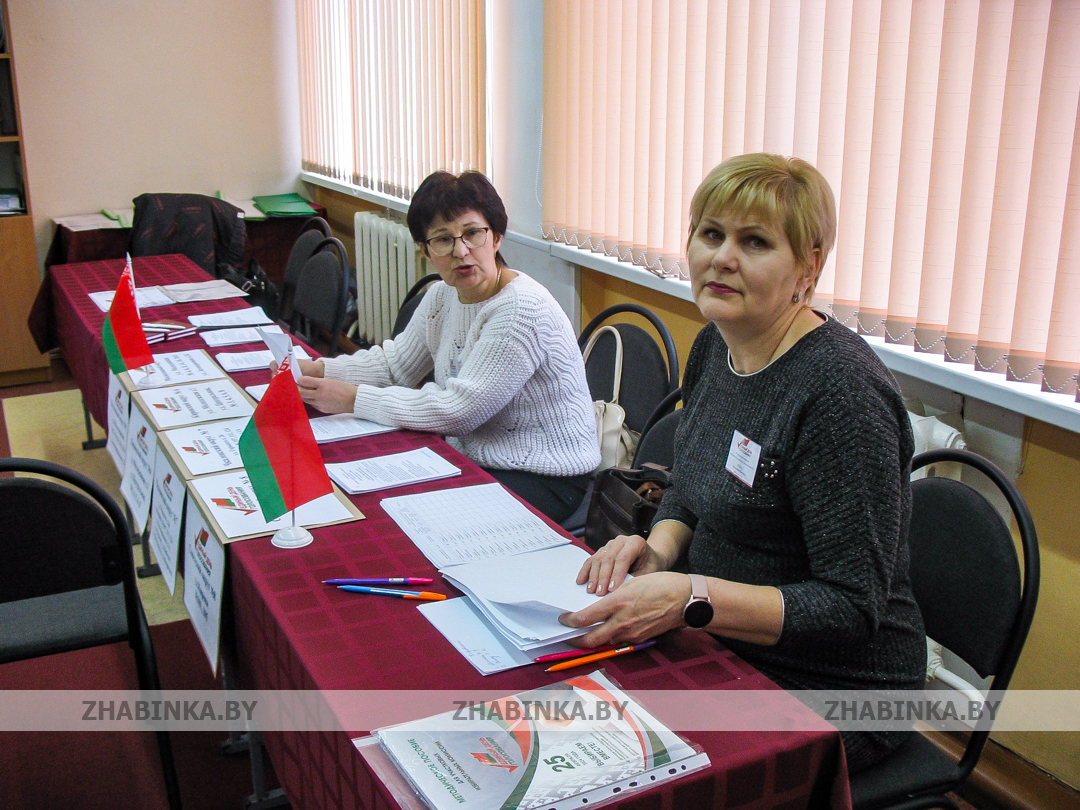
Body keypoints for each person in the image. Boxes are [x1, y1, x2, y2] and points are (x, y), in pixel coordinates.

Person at [559, 153, 926, 772]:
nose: (722, 258)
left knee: (628, 770)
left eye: (754, 242)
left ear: (807, 266)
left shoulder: (841, 395)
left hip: (836, 684)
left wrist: (691, 598)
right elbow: (689, 489)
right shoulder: (715, 344)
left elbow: (850, 609)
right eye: (711, 234)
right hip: (718, 637)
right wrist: (658, 552)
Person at [293, 170, 600, 522]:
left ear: (497, 237)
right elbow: (395, 367)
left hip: (545, 475)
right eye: (443, 239)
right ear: (425, 251)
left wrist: (352, 398)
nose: (461, 251)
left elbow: (459, 409)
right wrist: (319, 369)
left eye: (472, 234)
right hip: (476, 453)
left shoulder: (521, 310)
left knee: (410, 516)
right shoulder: (442, 296)